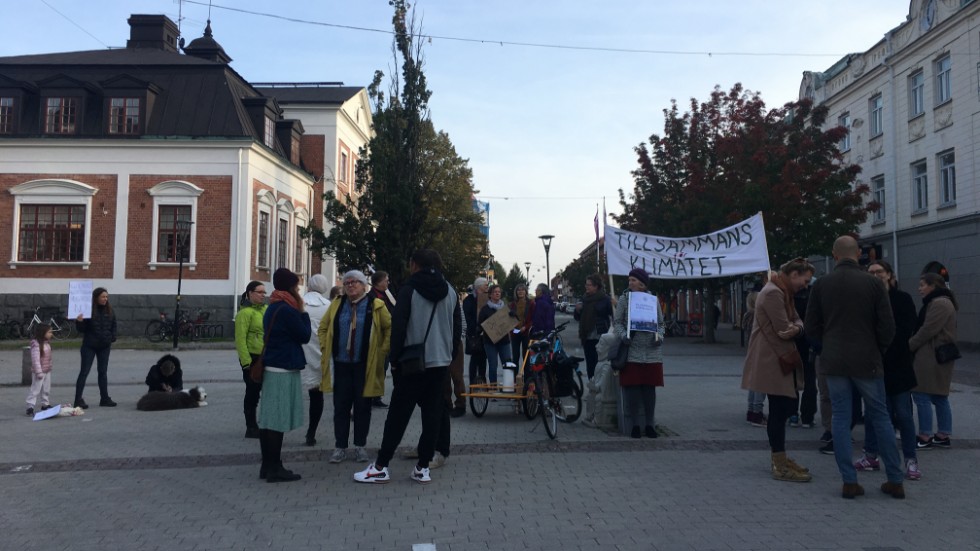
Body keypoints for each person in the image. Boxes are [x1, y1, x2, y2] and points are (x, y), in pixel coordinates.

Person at [805, 235, 903, 500]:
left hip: (834, 361)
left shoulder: (822, 285)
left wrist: (827, 347)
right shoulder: (873, 284)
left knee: (840, 416)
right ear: (858, 254)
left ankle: (849, 481)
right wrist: (878, 350)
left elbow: (811, 327)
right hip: (868, 360)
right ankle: (895, 479)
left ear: (834, 255)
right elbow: (888, 327)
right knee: (880, 416)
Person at [355, 249, 461, 485]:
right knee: (432, 416)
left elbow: (399, 327)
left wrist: (394, 360)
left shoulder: (409, 290)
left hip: (412, 363)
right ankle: (423, 467)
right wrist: (448, 354)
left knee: (398, 416)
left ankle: (381, 466)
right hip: (440, 362)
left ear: (414, 264)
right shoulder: (451, 291)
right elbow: (456, 329)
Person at [741, 259, 815, 483]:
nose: (805, 285)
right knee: (778, 410)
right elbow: (784, 329)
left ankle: (780, 458)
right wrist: (796, 328)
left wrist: (797, 327)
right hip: (772, 358)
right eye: (805, 280)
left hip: (777, 357)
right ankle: (779, 462)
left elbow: (797, 321)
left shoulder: (782, 291)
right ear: (793, 274)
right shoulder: (774, 292)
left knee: (781, 409)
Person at [855, 260, 921, 480]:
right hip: (874, 366)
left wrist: (882, 344)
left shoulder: (902, 299)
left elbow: (906, 329)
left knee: (903, 415)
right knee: (873, 414)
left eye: (879, 271)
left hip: (898, 366)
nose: (875, 275)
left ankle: (911, 460)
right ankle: (871, 455)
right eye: (871, 272)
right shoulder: (865, 300)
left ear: (889, 275)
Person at [319, 270, 391, 464]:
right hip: (341, 364)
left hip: (364, 366)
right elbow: (323, 327)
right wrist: (326, 346)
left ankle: (360, 446)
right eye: (347, 283)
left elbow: (388, 327)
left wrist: (383, 350)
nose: (350, 286)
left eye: (355, 282)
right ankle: (340, 447)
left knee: (362, 407)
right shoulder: (337, 304)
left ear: (364, 286)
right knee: (340, 407)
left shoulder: (375, 305)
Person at [257, 268, 311, 483]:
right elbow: (304, 335)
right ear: (290, 287)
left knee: (269, 420)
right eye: (296, 286)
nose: (298, 289)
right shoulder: (288, 310)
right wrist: (304, 313)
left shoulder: (272, 306)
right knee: (276, 421)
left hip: (273, 366)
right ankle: (274, 468)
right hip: (282, 367)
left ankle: (267, 465)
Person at [612, 268, 666, 439]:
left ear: (642, 284)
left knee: (649, 389)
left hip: (651, 350)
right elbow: (618, 322)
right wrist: (624, 336)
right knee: (633, 388)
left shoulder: (652, 300)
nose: (630, 283)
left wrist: (660, 336)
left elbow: (661, 323)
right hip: (632, 350)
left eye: (634, 280)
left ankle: (649, 424)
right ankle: (635, 424)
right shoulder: (624, 299)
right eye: (629, 280)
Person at [909, 272, 958, 450]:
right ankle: (942, 435)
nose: (919, 288)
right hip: (937, 354)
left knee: (922, 394)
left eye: (922, 285)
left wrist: (910, 345)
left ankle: (925, 435)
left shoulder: (940, 303)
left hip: (931, 355)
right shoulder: (942, 301)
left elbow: (927, 329)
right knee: (939, 395)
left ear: (933, 286)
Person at [74, 287, 117, 409]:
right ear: (96, 297)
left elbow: (114, 324)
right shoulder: (88, 310)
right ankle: (78, 399)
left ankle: (105, 398)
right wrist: (79, 321)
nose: (105, 299)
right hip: (90, 346)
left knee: (102, 372)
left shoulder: (110, 310)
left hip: (104, 346)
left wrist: (112, 337)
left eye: (107, 297)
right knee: (84, 372)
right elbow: (82, 329)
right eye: (103, 297)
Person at [301, 274, 331, 446]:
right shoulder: (328, 306)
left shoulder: (299, 303)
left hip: (299, 355)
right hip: (320, 354)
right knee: (316, 395)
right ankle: (311, 432)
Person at [235, 280, 267, 439]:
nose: (263, 295)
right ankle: (251, 426)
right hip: (253, 359)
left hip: (266, 356)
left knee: (265, 392)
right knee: (252, 393)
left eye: (264, 292)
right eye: (259, 292)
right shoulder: (244, 314)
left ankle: (264, 424)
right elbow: (240, 340)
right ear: (250, 293)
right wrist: (246, 362)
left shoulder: (266, 310)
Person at [574, 274, 613, 379]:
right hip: (587, 336)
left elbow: (614, 315)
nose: (586, 287)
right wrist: (577, 310)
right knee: (590, 363)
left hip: (600, 336)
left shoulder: (605, 299)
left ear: (596, 286)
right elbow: (578, 318)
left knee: (599, 363)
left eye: (589, 285)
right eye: (586, 285)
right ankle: (592, 383)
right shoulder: (584, 299)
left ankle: (601, 384)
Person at [370, 270, 395, 409]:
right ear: (379, 282)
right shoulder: (372, 297)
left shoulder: (387, 295)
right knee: (376, 368)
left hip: (387, 337)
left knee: (383, 368)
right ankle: (372, 395)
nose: (388, 282)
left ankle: (377, 395)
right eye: (386, 280)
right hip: (377, 338)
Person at [479, 284, 514, 385]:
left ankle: (509, 386)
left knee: (508, 364)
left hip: (504, 341)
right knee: (493, 365)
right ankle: (493, 388)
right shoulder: (485, 309)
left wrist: (512, 315)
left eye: (499, 292)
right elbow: (480, 324)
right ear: (490, 295)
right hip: (490, 341)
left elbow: (512, 323)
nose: (497, 293)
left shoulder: (506, 308)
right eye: (495, 292)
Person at [743, 284, 767, 427]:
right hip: (760, 350)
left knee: (754, 382)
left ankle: (752, 410)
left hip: (751, 351)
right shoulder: (757, 316)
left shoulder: (747, 315)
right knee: (760, 382)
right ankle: (757, 413)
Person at [462, 277, 489, 384]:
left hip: (485, 334)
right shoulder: (469, 300)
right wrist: (476, 328)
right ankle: (473, 382)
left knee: (483, 358)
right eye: (485, 285)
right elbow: (467, 317)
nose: (487, 287)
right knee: (474, 358)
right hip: (474, 334)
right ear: (479, 287)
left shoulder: (487, 299)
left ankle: (482, 380)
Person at [26, 324, 54, 416]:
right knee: (35, 389)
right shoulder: (36, 345)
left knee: (46, 389)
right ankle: (30, 406)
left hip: (47, 370)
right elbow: (35, 360)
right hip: (39, 372)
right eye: (49, 332)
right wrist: (38, 372)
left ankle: (45, 404)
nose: (51, 334)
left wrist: (49, 367)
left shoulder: (47, 343)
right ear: (43, 333)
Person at [509, 284, 535, 368]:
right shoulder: (512, 304)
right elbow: (508, 318)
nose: (520, 292)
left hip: (526, 333)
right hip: (514, 332)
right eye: (518, 290)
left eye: (522, 290)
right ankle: (515, 378)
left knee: (526, 357)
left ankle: (527, 378)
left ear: (526, 292)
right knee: (515, 357)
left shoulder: (531, 303)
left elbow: (533, 319)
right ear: (516, 292)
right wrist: (511, 327)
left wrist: (526, 327)